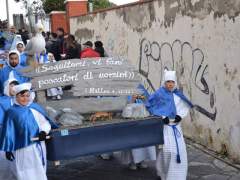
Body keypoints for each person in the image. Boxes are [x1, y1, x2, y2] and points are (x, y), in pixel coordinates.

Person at [0, 82, 58, 180]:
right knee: (24, 172)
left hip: (37, 146)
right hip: (21, 149)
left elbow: (44, 123)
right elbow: (8, 132)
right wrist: (8, 149)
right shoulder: (11, 112)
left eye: (27, 96)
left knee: (39, 169)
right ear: (16, 96)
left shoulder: (34, 108)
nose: (25, 98)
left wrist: (43, 132)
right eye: (22, 96)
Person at [145, 70, 193, 180]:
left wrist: (180, 116)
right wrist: (162, 117)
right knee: (167, 151)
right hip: (165, 128)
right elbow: (151, 106)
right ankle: (164, 174)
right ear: (164, 82)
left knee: (180, 151)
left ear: (175, 82)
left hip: (176, 128)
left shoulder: (177, 95)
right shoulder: (159, 94)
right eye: (168, 82)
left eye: (172, 81)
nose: (170, 84)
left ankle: (179, 176)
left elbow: (184, 106)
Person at [121, 84, 157, 170]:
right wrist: (132, 100)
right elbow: (122, 106)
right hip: (131, 120)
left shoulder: (141, 87)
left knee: (143, 141)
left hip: (142, 118)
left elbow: (149, 101)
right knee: (132, 141)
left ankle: (142, 160)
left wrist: (144, 99)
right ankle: (132, 161)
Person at [0, 76, 19, 180]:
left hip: (19, 137)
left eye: (16, 85)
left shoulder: (22, 100)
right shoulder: (1, 101)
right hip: (5, 135)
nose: (14, 88)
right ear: (7, 87)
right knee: (6, 166)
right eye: (12, 85)